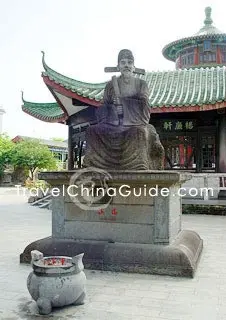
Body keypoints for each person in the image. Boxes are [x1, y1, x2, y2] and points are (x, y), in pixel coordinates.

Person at [83, 49, 164, 170]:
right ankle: (96, 164)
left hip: (134, 123)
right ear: (118, 66)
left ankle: (138, 165)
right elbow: (103, 107)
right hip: (113, 122)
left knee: (138, 132)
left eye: (129, 62)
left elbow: (144, 105)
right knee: (92, 130)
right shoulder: (110, 85)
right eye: (123, 62)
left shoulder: (141, 84)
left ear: (133, 66)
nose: (126, 65)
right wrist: (113, 108)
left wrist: (125, 106)